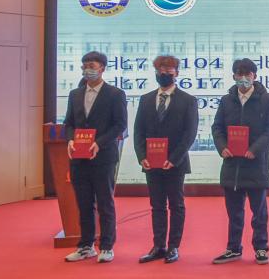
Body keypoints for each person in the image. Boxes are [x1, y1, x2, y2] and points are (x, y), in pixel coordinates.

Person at [210, 58, 269, 265]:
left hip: (256, 164)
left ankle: (261, 248)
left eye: (247, 74)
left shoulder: (267, 100)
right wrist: (222, 146)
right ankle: (233, 248)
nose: (243, 78)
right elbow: (217, 127)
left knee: (259, 212)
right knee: (234, 213)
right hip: (232, 165)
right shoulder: (226, 101)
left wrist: (254, 149)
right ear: (233, 76)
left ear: (254, 76)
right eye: (239, 74)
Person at [63, 51, 128, 263]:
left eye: (91, 66)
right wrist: (70, 139)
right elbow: (68, 123)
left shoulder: (115, 94)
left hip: (103, 156)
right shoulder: (75, 94)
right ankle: (86, 246)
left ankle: (107, 246)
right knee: (83, 203)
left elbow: (120, 125)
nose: (87, 70)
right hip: (78, 158)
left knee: (104, 203)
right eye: (84, 66)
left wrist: (99, 143)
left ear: (102, 68)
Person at [133, 55, 199, 264]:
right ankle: (158, 246)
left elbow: (190, 133)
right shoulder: (146, 99)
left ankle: (173, 247)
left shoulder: (188, 100)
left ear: (176, 73)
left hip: (175, 163)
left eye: (168, 71)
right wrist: (141, 156)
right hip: (151, 163)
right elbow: (138, 131)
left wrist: (174, 158)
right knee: (157, 206)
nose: (164, 74)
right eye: (160, 70)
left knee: (176, 205)